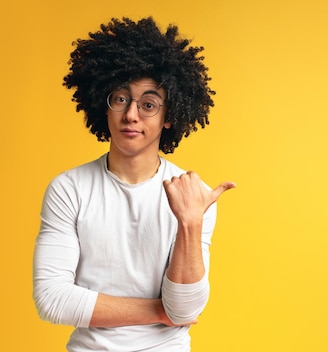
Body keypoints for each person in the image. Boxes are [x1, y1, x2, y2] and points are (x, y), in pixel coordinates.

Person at [32, 17, 235, 351]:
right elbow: (52, 300)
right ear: (104, 104)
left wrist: (190, 222)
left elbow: (186, 309)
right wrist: (159, 311)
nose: (131, 115)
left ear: (169, 116)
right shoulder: (69, 189)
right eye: (121, 99)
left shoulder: (192, 198)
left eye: (149, 104)